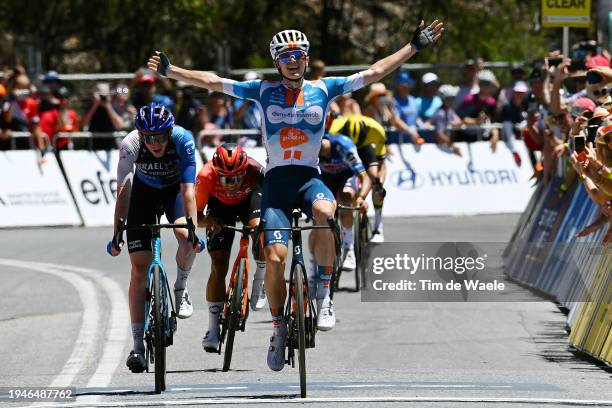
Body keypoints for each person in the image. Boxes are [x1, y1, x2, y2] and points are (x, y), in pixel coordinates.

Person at [148, 18, 444, 371]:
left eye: (299, 55)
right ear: (276, 62)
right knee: (274, 259)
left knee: (326, 211)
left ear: (307, 59)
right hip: (276, 183)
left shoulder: (325, 87)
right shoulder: (262, 90)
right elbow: (213, 81)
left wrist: (413, 47)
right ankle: (277, 329)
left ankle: (324, 293)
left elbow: (375, 71)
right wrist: (172, 70)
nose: (293, 61)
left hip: (308, 178)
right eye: (286, 56)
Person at [108, 103, 202, 373]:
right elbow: (124, 191)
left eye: (160, 136)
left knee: (185, 237)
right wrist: (117, 232)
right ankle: (137, 346)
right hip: (143, 195)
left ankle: (181, 288)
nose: (155, 143)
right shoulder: (131, 144)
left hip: (174, 192)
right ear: (141, 135)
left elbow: (188, 190)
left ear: (169, 132)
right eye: (149, 138)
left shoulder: (183, 139)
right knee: (139, 269)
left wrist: (193, 229)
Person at [196, 143, 267, 353]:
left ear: (244, 170)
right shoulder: (206, 176)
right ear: (217, 174)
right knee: (218, 264)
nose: (232, 184)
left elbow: (273, 199)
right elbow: (195, 217)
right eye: (226, 179)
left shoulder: (256, 170)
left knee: (259, 230)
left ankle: (260, 278)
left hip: (250, 201)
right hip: (219, 208)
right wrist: (210, 221)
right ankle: (212, 328)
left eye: (237, 178)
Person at [315, 131, 371, 275]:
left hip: (347, 176)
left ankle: (349, 248)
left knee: (345, 199)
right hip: (325, 178)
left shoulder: (343, 147)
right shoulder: (310, 151)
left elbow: (365, 177)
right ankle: (313, 263)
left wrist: (361, 197)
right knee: (319, 212)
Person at [328, 114, 388, 242]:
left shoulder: (377, 130)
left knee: (376, 182)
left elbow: (382, 163)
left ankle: (378, 226)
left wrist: (379, 184)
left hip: (365, 149)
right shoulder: (334, 129)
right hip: (345, 150)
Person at [81, 82, 125, 149]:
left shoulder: (113, 105)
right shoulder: (91, 105)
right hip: (93, 145)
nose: (103, 97)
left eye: (105, 93)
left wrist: (108, 105)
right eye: (101, 94)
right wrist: (95, 105)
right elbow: (83, 124)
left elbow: (120, 125)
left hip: (110, 145)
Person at [39, 86, 80, 151]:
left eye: (66, 97)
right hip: (52, 150)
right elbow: (45, 137)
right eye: (60, 98)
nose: (64, 100)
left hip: (70, 149)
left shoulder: (72, 114)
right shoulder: (47, 115)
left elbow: (76, 134)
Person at [499, 81, 530, 166]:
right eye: (518, 92)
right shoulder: (507, 107)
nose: (520, 95)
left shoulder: (524, 106)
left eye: (522, 93)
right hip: (508, 140)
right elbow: (508, 130)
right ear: (513, 92)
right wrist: (514, 150)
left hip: (523, 140)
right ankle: (515, 152)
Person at [430, 84, 462, 156]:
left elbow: (459, 121)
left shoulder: (449, 110)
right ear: (444, 99)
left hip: (444, 145)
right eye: (449, 98)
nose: (452, 101)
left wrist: (453, 123)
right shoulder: (440, 114)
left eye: (452, 98)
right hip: (438, 149)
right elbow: (439, 135)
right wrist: (453, 146)